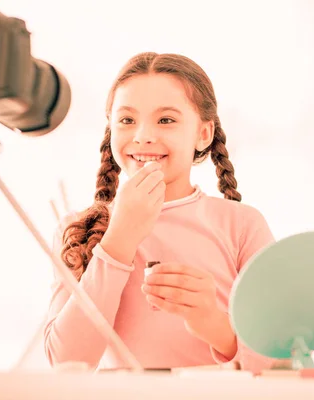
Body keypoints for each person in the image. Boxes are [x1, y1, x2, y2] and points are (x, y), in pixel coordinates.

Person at [43, 52, 276, 374]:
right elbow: (66, 360)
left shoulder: (241, 225)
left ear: (203, 134)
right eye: (126, 120)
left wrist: (211, 322)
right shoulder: (77, 228)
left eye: (166, 120)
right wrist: (119, 239)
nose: (143, 136)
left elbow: (277, 362)